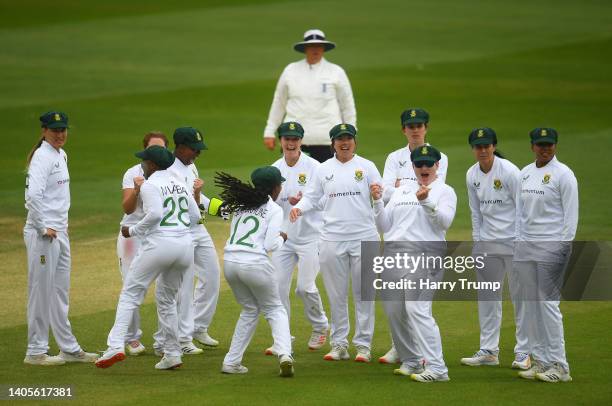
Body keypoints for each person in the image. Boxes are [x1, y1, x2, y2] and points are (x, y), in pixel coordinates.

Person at [96, 146, 201, 370]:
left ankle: (115, 346)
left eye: (145, 162)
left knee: (130, 294)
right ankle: (172, 354)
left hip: (160, 245)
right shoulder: (181, 183)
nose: (142, 165)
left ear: (152, 165)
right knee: (167, 299)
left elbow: (154, 214)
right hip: (184, 248)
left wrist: (132, 231)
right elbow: (196, 215)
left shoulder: (150, 185)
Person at [290, 123, 381, 363]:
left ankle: (363, 345)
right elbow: (311, 197)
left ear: (355, 141)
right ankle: (339, 344)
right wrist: (298, 208)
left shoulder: (367, 166)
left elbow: (382, 194)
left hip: (364, 236)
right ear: (333, 143)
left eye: (348, 138)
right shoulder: (323, 170)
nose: (344, 142)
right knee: (336, 294)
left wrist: (378, 194)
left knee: (365, 294)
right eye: (340, 139)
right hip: (332, 237)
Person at [371, 144, 456, 382]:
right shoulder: (401, 191)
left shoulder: (445, 191)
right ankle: (412, 360)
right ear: (413, 167)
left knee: (417, 309)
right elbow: (384, 226)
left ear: (437, 166)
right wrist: (378, 202)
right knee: (394, 310)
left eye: (429, 164)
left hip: (425, 254)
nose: (424, 168)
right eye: (419, 164)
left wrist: (427, 202)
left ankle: (438, 369)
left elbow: (445, 222)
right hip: (393, 254)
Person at [23, 111, 98, 366]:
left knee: (59, 292)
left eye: (63, 129)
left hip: (60, 232)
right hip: (44, 235)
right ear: (44, 130)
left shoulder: (60, 154)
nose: (60, 134)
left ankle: (68, 348)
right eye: (55, 130)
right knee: (41, 292)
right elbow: (33, 196)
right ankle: (35, 351)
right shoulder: (42, 157)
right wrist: (43, 227)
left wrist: (60, 227)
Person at [379, 107, 449, 364]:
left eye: (419, 125)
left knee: (417, 305)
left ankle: (426, 357)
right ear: (404, 129)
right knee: (397, 304)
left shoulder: (439, 156)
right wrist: (405, 188)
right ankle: (404, 349)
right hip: (399, 233)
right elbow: (386, 193)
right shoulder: (394, 157)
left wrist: (402, 186)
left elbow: (434, 188)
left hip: (425, 237)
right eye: (411, 126)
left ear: (426, 128)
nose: (415, 129)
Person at [460, 128, 530, 369]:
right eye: (478, 146)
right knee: (488, 299)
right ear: (473, 149)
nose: (482, 150)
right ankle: (489, 350)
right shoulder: (472, 174)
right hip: (488, 245)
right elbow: (476, 212)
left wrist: (521, 242)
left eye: (486, 146)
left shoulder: (510, 171)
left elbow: (523, 210)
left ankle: (524, 352)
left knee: (521, 299)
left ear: (493, 146)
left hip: (514, 243)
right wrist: (477, 242)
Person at [216, 167, 294, 377]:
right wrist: (282, 238)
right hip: (255, 263)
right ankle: (285, 354)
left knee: (250, 310)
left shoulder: (241, 203)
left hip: (231, 262)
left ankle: (231, 362)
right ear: (275, 188)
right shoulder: (274, 208)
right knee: (275, 309)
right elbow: (270, 245)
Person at [514, 128, 578, 383]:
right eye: (541, 145)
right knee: (530, 306)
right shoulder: (526, 173)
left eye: (549, 145)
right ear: (532, 146)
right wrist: (518, 242)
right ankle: (540, 361)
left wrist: (564, 246)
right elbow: (520, 213)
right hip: (526, 246)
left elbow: (571, 216)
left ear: (555, 146)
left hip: (552, 247)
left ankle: (560, 366)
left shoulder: (564, 175)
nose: (545, 148)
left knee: (548, 305)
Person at [153, 127, 223, 357]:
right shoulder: (168, 168)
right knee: (184, 285)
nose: (197, 154)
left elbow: (197, 198)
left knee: (212, 275)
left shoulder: (190, 165)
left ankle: (197, 327)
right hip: (180, 231)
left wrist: (221, 207)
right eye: (194, 149)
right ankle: (181, 339)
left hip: (198, 228)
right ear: (180, 146)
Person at [265, 122, 329, 355]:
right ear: (280, 140)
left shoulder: (315, 167)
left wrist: (303, 202)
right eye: (286, 138)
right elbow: (270, 203)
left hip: (311, 236)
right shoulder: (274, 169)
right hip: (283, 237)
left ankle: (320, 325)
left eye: (295, 139)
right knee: (277, 288)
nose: (290, 143)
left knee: (304, 288)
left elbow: (324, 200)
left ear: (301, 141)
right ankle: (283, 339)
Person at [263, 29, 356, 162]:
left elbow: (347, 105)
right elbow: (279, 102)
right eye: (311, 46)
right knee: (294, 180)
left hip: (327, 140)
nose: (315, 49)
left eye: (318, 46)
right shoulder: (291, 70)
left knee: (328, 180)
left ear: (324, 48)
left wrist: (351, 133)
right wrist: (269, 131)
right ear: (305, 48)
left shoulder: (336, 72)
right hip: (294, 139)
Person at [117, 131, 169, 356]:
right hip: (132, 234)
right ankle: (132, 338)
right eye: (152, 149)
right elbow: (127, 208)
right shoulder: (133, 173)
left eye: (161, 148)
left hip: (159, 234)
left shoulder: (171, 173)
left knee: (166, 287)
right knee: (131, 285)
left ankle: (165, 339)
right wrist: (138, 189)